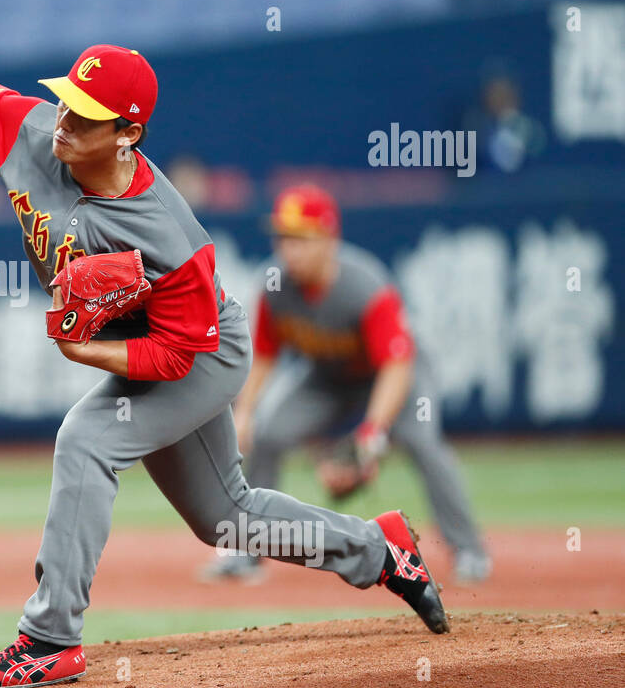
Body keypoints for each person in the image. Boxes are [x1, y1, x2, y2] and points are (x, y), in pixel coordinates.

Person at [0, 23, 451, 688]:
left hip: (199, 351)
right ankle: (379, 549)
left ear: (128, 134)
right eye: (67, 100)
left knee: (87, 439)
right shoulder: (30, 130)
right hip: (146, 342)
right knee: (225, 517)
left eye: (87, 117)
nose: (64, 121)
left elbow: (178, 356)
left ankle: (51, 639)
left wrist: (83, 348)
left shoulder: (167, 235)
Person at [205, 184, 491, 585]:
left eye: (301, 239)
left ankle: (469, 551)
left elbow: (396, 364)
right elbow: (265, 354)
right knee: (268, 434)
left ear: (329, 239)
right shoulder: (275, 284)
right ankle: (246, 551)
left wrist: (372, 431)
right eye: (284, 238)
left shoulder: (365, 286)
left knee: (423, 444)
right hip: (327, 377)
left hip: (394, 376)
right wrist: (246, 412)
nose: (290, 250)